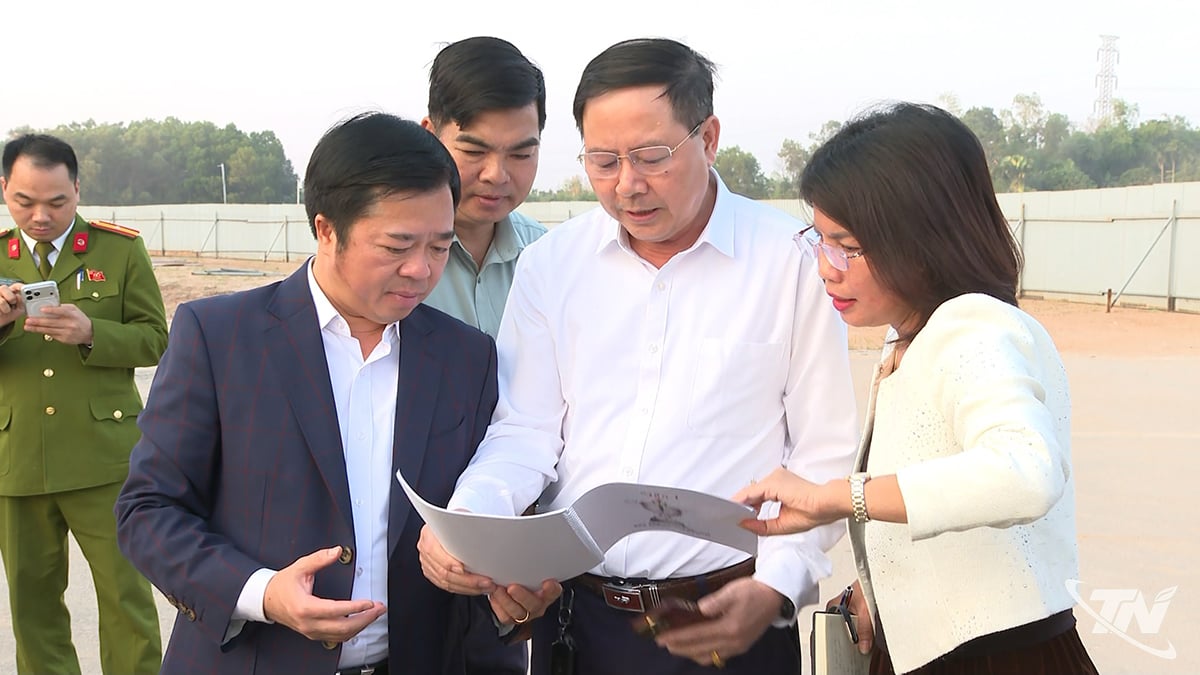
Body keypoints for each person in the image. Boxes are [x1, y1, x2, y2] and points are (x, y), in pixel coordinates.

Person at [418, 38, 859, 674]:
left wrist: (777, 587)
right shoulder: (552, 266)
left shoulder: (791, 262)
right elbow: (525, 428)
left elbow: (823, 453)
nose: (627, 185)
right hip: (578, 622)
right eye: (602, 161)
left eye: (651, 157)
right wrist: (473, 521)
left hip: (729, 614)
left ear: (707, 138)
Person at [115, 112, 558, 674]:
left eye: (440, 246)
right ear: (326, 229)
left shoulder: (465, 356)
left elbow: (480, 526)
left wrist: (508, 600)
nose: (421, 270)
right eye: (397, 245)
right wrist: (264, 593)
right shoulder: (221, 337)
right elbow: (149, 510)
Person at [733, 102, 1099, 674]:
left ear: (923, 238)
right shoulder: (911, 336)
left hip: (997, 657)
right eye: (819, 240)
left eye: (847, 247)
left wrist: (838, 496)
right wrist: (883, 590)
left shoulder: (972, 327)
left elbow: (1024, 472)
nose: (826, 268)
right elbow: (942, 497)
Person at [0, 133, 165, 674]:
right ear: (5, 190)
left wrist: (94, 332)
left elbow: (156, 338)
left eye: (56, 201)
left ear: (77, 189)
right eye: (24, 202)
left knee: (125, 599)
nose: (40, 216)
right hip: (18, 457)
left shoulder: (117, 250)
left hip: (104, 458)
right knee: (33, 606)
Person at [420, 36, 548, 340]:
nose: (496, 175)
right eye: (475, 152)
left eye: (520, 154)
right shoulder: (395, 260)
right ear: (429, 136)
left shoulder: (545, 256)